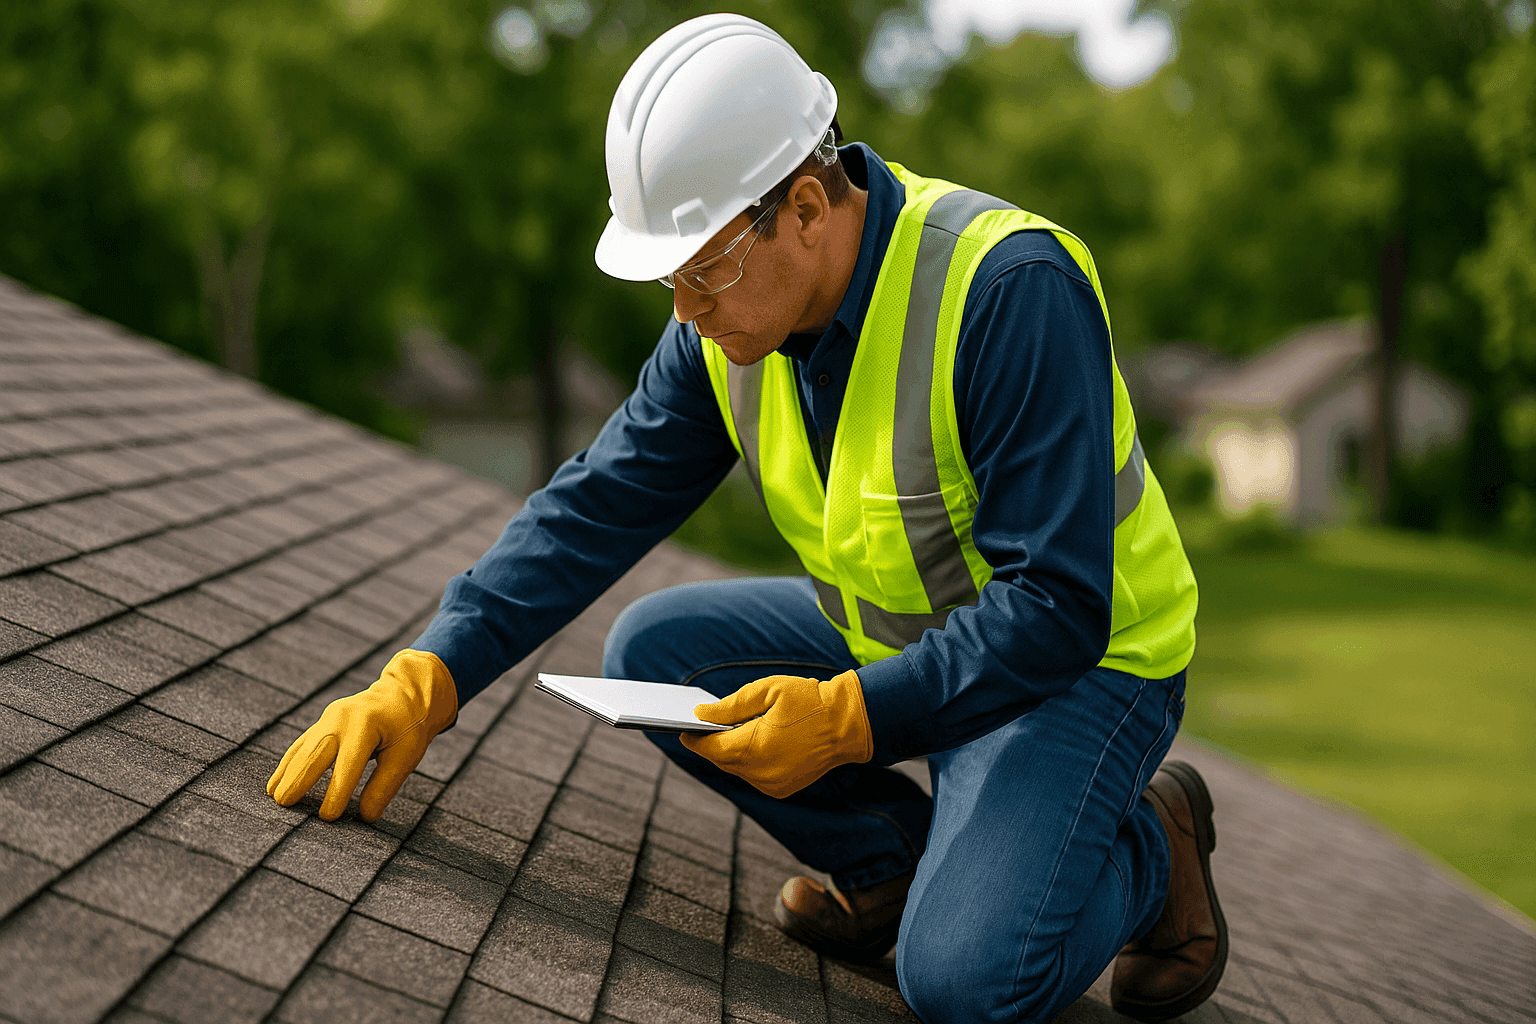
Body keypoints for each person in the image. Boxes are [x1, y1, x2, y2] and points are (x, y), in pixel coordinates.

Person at [266, 13, 1225, 1023]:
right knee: (654, 653)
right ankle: (895, 866)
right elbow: (595, 503)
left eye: (704, 268)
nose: (685, 309)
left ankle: (1155, 851)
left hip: (1082, 667)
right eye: (669, 276)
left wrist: (851, 719)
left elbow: (1057, 607)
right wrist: (430, 673)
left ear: (806, 207)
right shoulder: (723, 329)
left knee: (966, 982)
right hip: (905, 644)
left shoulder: (1009, 291)